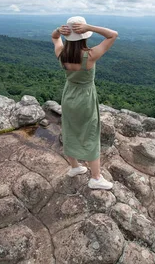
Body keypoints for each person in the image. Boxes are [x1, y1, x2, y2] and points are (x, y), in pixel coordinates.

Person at [51, 16, 118, 190]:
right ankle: (95, 177)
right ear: (83, 35)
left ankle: (75, 167)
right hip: (85, 99)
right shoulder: (90, 55)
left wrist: (59, 31)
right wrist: (89, 27)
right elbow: (112, 35)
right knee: (90, 133)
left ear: (68, 36)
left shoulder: (61, 54)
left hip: (68, 96)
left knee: (69, 129)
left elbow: (54, 38)